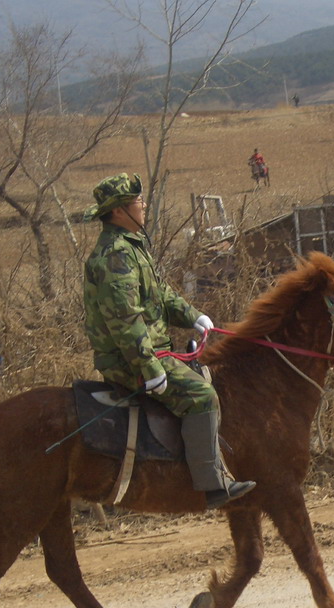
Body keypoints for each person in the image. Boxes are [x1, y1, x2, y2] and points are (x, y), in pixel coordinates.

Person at [82, 172, 255, 509]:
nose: (143, 205)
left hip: (151, 350)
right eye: (137, 201)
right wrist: (148, 368)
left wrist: (193, 317)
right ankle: (212, 483)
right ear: (119, 211)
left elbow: (160, 294)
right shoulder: (115, 255)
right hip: (130, 359)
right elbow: (125, 319)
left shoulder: (131, 248)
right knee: (202, 396)